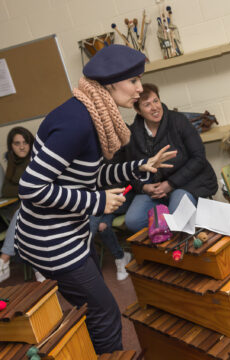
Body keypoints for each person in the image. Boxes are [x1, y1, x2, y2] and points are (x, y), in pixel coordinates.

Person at [14, 45, 175, 354]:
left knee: (91, 310)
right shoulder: (77, 122)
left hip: (65, 233)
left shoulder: (92, 114)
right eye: (134, 81)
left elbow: (86, 177)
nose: (140, 90)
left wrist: (137, 168)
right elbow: (30, 188)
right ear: (110, 83)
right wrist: (96, 204)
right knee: (105, 313)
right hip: (50, 241)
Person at [124, 83, 218, 233]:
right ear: (138, 110)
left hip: (186, 183)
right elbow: (131, 169)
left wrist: (170, 184)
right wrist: (143, 187)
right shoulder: (133, 133)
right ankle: (160, 248)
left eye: (156, 101)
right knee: (133, 221)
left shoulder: (178, 121)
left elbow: (198, 158)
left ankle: (180, 244)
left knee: (178, 218)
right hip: (154, 190)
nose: (154, 107)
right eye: (147, 104)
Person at [89, 148, 134, 281]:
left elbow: (129, 176)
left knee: (93, 219)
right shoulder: (93, 151)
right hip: (106, 202)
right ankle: (121, 257)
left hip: (125, 194)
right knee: (103, 226)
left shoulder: (124, 146)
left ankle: (87, 263)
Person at [0, 127, 38, 283]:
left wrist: (25, 189)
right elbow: (6, 190)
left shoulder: (36, 160)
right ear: (11, 146)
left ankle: (4, 259)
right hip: (20, 210)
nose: (22, 147)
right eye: (17, 143)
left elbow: (35, 189)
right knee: (28, 228)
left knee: (22, 214)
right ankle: (41, 275)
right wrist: (24, 189)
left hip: (37, 208)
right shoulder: (12, 162)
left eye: (25, 142)